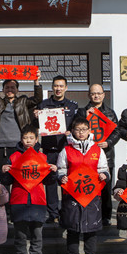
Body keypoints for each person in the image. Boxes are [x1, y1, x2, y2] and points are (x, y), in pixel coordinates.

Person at [1, 125, 57, 254]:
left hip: (38, 200)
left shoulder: (42, 157)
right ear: (21, 139)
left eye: (31, 138)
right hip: (18, 199)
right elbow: (7, 180)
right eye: (25, 138)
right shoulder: (13, 157)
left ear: (36, 139)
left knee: (37, 233)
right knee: (20, 234)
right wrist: (5, 171)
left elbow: (48, 182)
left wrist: (52, 172)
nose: (28, 141)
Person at [57, 117, 109, 254]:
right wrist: (61, 178)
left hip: (92, 196)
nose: (80, 133)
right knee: (73, 229)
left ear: (89, 131)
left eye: (83, 129)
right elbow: (61, 169)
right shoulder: (66, 150)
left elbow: (104, 169)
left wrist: (104, 175)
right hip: (72, 196)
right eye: (77, 129)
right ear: (72, 131)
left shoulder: (97, 150)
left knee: (90, 230)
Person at [0, 70, 42, 180]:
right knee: (5, 179)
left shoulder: (23, 101)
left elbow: (37, 99)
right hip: (3, 147)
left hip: (20, 146)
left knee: (21, 178)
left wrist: (36, 82)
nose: (9, 90)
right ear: (3, 90)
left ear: (17, 90)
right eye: (7, 87)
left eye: (12, 87)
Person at [75, 84, 121, 226]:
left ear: (103, 95)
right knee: (88, 187)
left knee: (105, 188)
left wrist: (109, 143)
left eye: (99, 93)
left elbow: (117, 131)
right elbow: (76, 129)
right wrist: (86, 116)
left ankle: (106, 216)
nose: (96, 96)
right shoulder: (82, 111)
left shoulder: (110, 113)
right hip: (87, 158)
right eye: (93, 93)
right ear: (89, 95)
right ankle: (88, 214)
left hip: (105, 156)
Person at [37, 75, 78, 223]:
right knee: (50, 183)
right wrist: (36, 116)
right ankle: (53, 213)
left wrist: (71, 132)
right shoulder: (43, 105)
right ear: (52, 87)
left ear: (66, 88)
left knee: (67, 180)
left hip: (66, 149)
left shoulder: (73, 106)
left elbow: (78, 126)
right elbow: (37, 126)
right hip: (49, 149)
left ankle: (68, 211)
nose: (58, 88)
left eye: (61, 86)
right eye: (56, 86)